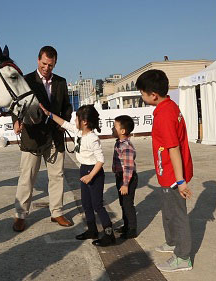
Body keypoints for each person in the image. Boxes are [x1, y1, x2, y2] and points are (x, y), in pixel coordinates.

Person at [136, 69, 194, 272]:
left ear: (153, 95)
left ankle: (183, 257)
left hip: (172, 175)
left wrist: (180, 181)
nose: (142, 97)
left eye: (142, 93)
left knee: (177, 215)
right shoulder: (168, 106)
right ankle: (172, 243)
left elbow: (174, 149)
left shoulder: (165, 115)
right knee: (168, 212)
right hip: (166, 174)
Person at [11, 46, 73, 232]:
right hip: (32, 137)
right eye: (44, 64)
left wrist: (64, 123)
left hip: (54, 135)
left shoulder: (61, 82)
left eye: (51, 65)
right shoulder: (27, 80)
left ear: (55, 64)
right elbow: (16, 104)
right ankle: (20, 215)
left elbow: (67, 107)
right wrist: (16, 120)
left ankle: (57, 212)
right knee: (27, 177)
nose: (47, 68)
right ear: (38, 60)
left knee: (57, 176)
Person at [40, 103, 116, 247]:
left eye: (76, 119)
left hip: (94, 173)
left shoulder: (92, 138)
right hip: (84, 170)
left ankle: (108, 234)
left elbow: (101, 160)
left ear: (85, 122)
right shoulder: (78, 132)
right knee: (86, 204)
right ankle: (92, 230)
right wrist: (48, 114)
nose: (74, 122)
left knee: (97, 205)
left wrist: (90, 176)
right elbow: (64, 123)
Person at [111, 115, 138, 239]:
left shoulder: (126, 146)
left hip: (128, 178)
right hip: (121, 177)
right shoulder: (119, 143)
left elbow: (128, 167)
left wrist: (125, 184)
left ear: (123, 131)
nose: (112, 128)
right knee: (123, 203)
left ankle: (132, 229)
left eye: (114, 126)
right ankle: (126, 225)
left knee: (128, 204)